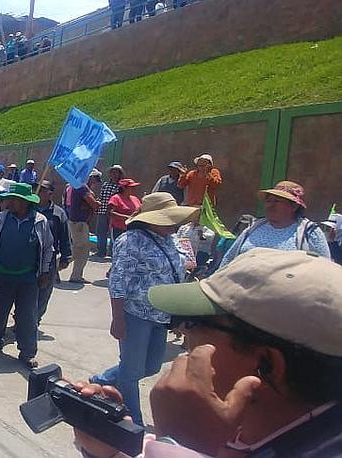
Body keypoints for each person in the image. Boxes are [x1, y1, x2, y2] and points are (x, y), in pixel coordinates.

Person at [74, 249, 342, 457]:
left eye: (194, 323)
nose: (181, 331)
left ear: (266, 364)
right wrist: (112, 452)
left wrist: (181, 442)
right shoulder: (262, 430)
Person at [91, 192, 198, 426]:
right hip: (135, 314)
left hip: (161, 315)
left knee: (150, 367)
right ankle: (133, 423)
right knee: (131, 373)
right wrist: (118, 319)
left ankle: (102, 379)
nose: (173, 222)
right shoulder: (131, 240)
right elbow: (118, 281)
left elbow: (180, 270)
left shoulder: (171, 239)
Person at [0, 182, 52, 368]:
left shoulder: (40, 221)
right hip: (2, 276)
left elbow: (47, 248)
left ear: (25, 202)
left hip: (28, 278)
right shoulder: (1, 219)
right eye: (9, 199)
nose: (9, 202)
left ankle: (28, 353)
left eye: (14, 199)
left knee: (27, 316)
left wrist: (44, 271)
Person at [220, 181, 329, 268]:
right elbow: (229, 259)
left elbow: (324, 268)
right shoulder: (254, 227)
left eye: (277, 201)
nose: (270, 205)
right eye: (268, 201)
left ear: (294, 207)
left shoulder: (309, 232)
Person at [35, 180, 71, 325]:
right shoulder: (29, 209)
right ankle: (22, 319)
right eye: (36, 189)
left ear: (50, 194)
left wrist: (65, 257)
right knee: (27, 292)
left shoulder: (58, 213)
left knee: (44, 292)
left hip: (49, 259)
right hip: (29, 257)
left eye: (41, 190)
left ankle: (35, 319)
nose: (37, 192)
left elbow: (65, 236)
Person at [68, 172, 101, 283]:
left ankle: (72, 274)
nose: (96, 183)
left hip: (78, 222)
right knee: (80, 251)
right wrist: (97, 203)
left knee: (78, 250)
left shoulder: (79, 186)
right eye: (95, 179)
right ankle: (58, 268)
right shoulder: (82, 187)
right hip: (79, 224)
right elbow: (93, 204)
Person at [96, 165, 123, 258]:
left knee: (113, 233)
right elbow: (101, 197)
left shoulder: (121, 186)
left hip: (113, 213)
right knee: (101, 232)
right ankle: (101, 251)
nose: (114, 174)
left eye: (116, 172)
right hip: (102, 211)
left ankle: (112, 252)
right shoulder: (105, 185)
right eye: (112, 172)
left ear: (120, 174)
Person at [108, 178, 142, 243]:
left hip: (133, 229)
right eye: (131, 187)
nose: (134, 189)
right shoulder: (116, 198)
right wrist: (127, 217)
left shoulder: (135, 199)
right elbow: (111, 213)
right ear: (124, 188)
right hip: (119, 229)